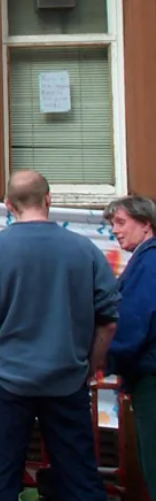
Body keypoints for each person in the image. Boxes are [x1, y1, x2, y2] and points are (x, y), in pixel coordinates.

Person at [0, 170, 120, 501]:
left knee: (0, 481)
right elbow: (108, 321)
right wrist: (89, 367)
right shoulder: (85, 251)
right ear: (48, 200)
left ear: (7, 205)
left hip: (5, 380)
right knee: (80, 478)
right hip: (67, 379)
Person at [103, 195, 156, 494]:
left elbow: (136, 318)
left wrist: (102, 356)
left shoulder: (149, 262)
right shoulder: (145, 259)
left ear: (146, 224)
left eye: (121, 222)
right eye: (113, 224)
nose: (115, 230)